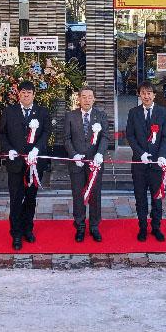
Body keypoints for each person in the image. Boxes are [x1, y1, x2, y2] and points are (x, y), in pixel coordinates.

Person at [0, 81, 51, 250]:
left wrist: (37, 148)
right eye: (23, 92)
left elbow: (46, 132)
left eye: (29, 92)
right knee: (15, 199)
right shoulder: (9, 111)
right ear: (18, 94)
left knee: (30, 198)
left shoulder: (42, 112)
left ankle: (28, 229)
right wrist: (9, 149)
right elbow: (1, 134)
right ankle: (16, 233)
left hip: (35, 163)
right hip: (15, 163)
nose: (26, 95)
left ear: (34, 95)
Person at [125, 81, 166, 242]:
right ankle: (143, 227)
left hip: (157, 164)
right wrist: (141, 154)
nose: (146, 96)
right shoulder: (133, 113)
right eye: (143, 93)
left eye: (149, 93)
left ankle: (156, 227)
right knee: (140, 197)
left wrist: (162, 155)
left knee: (157, 197)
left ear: (154, 95)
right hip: (139, 164)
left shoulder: (163, 113)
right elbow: (130, 136)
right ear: (139, 95)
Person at [63, 87, 109, 242]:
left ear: (94, 99)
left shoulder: (101, 115)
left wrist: (100, 153)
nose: (87, 100)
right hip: (76, 163)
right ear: (79, 99)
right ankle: (80, 226)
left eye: (90, 97)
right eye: (84, 97)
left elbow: (105, 137)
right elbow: (66, 139)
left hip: (95, 164)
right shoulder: (70, 116)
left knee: (95, 195)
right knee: (78, 195)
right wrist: (73, 154)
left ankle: (94, 226)